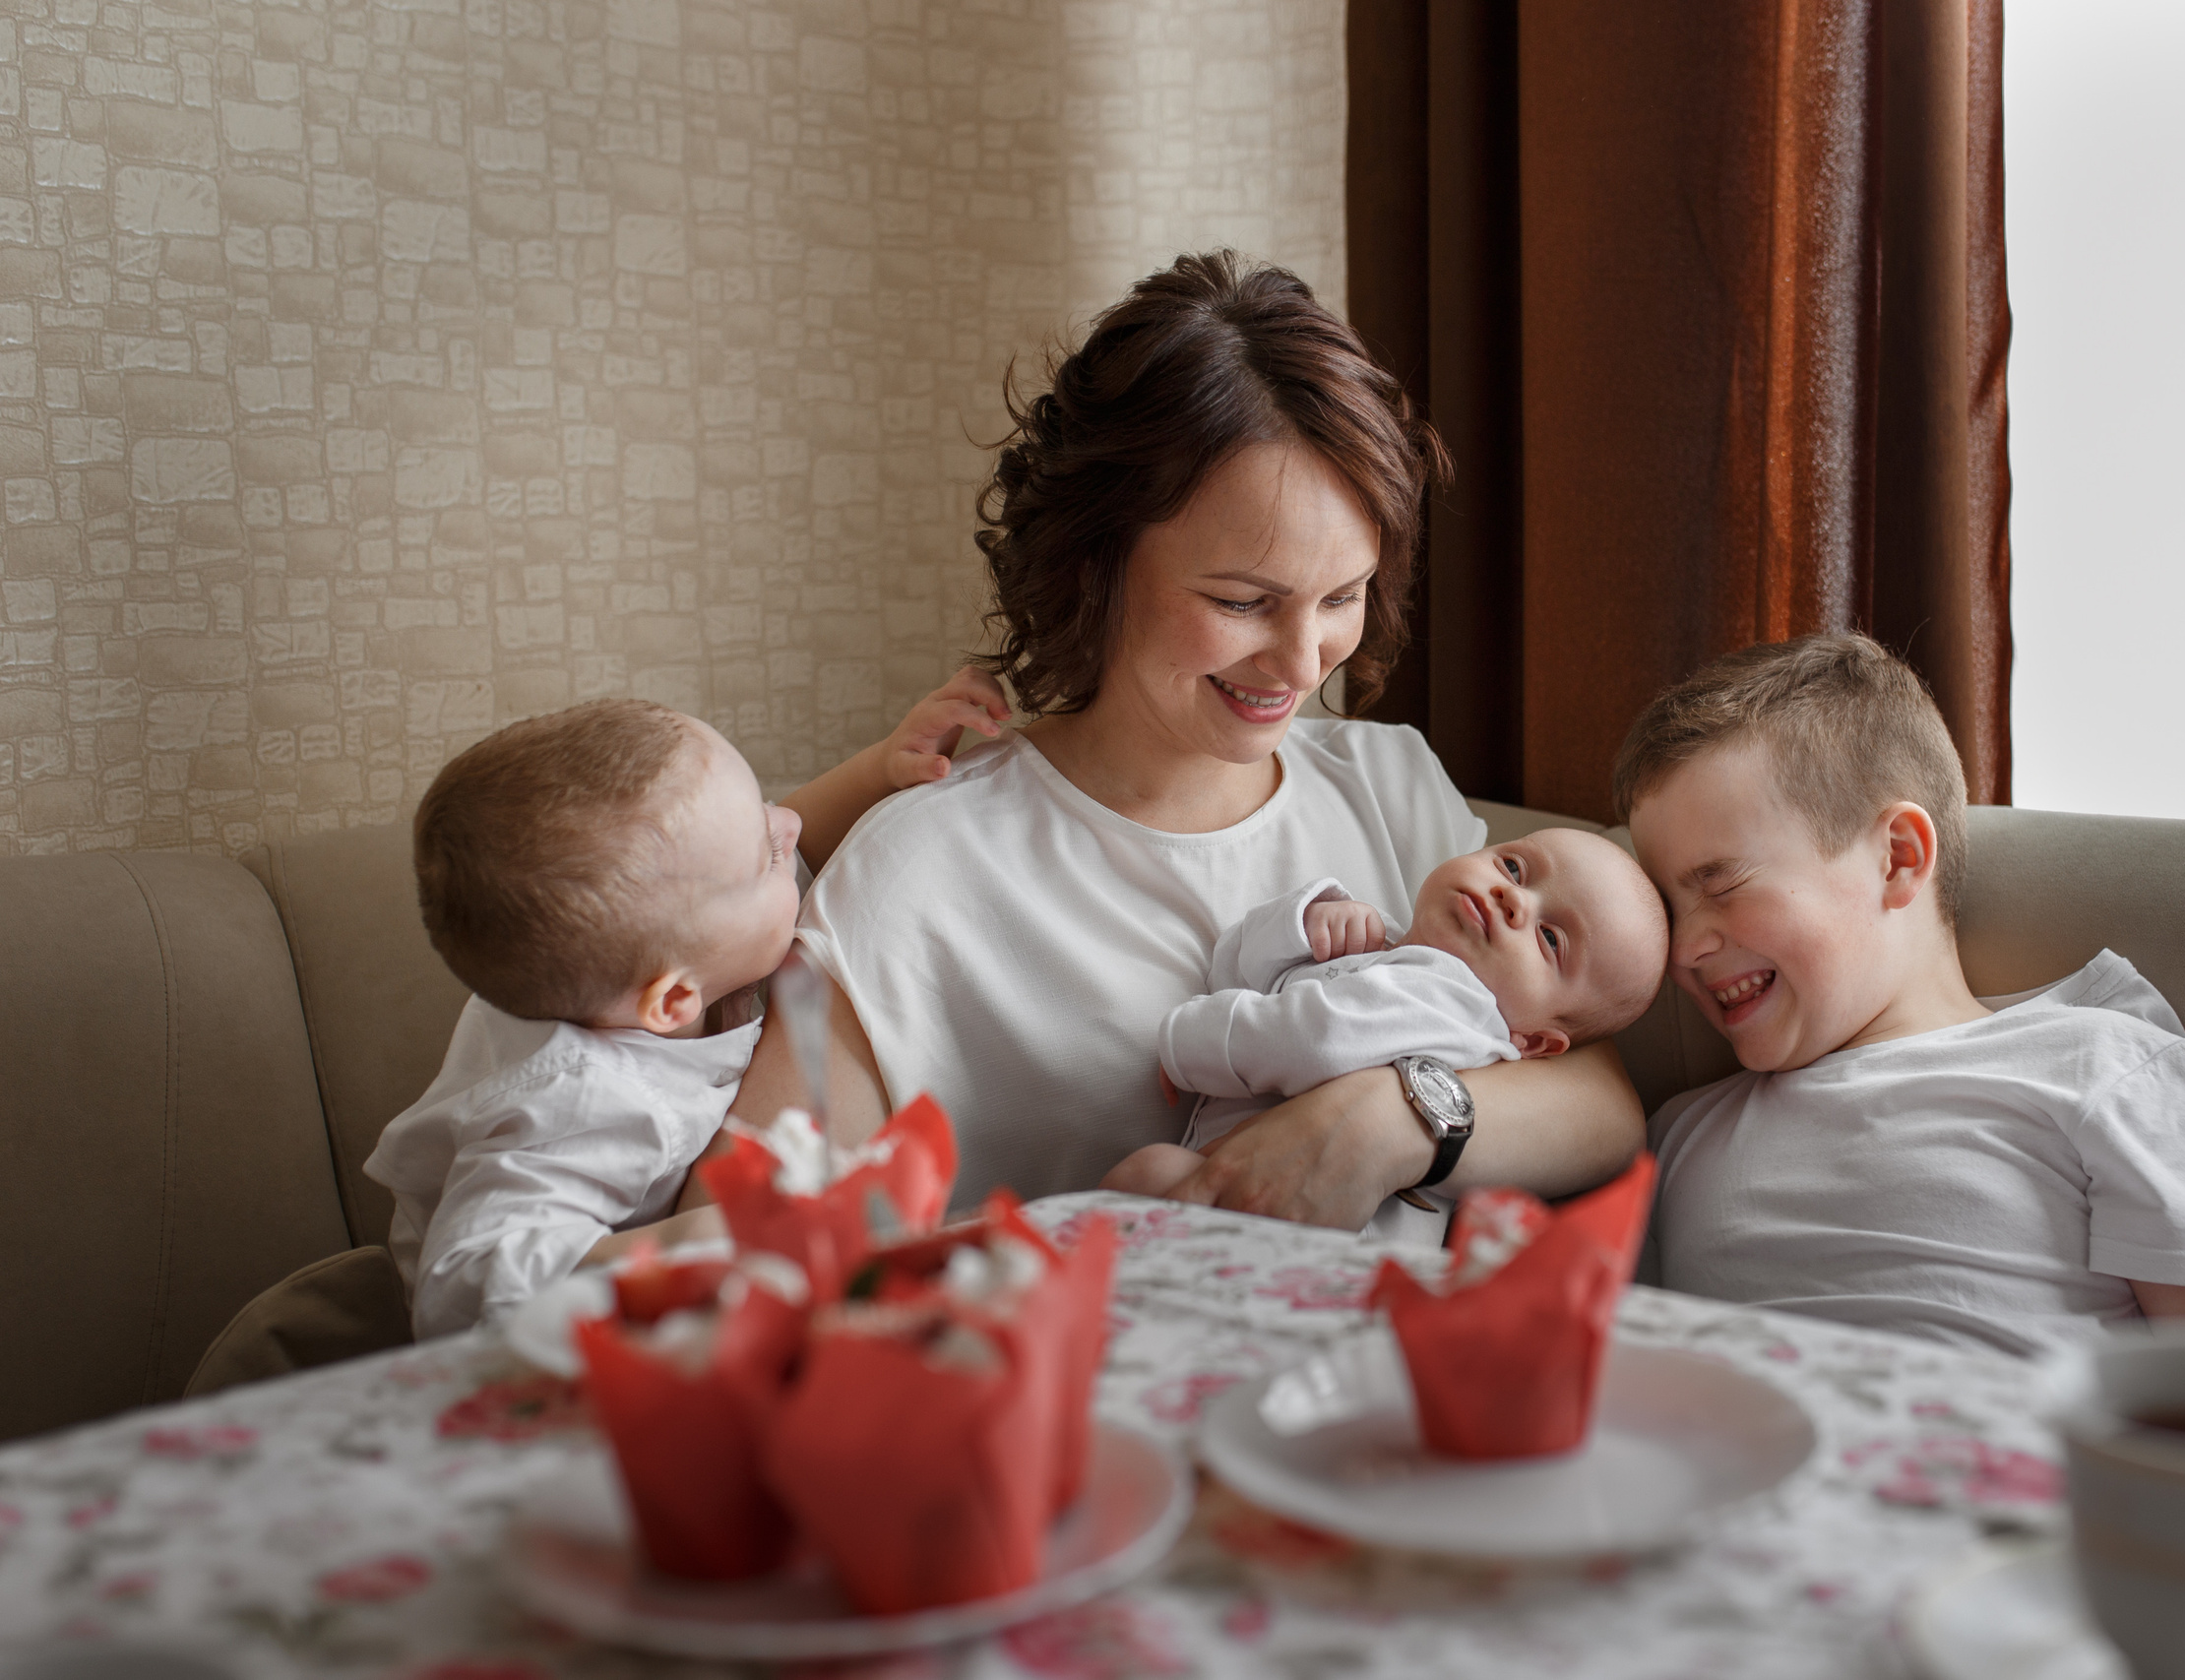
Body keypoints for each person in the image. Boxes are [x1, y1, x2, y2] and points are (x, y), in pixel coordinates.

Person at [696, 252, 1645, 1227]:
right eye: (1243, 601)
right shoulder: (927, 868)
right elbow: (745, 1225)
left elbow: (1601, 1101)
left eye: (1342, 596)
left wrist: (1382, 1121)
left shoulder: (1389, 786)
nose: (1300, 658)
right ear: (1094, 566)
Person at [1615, 633, 2185, 1358]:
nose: (1683, 949)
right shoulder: (1678, 1133)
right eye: (1670, 911)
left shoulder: (2103, 1068)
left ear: (1898, 857)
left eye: (1723, 884)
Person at [366, 672, 1005, 1338]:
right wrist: (703, 1232)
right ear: (672, 1000)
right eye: (768, 854)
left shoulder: (637, 961)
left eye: (765, 809)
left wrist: (883, 764)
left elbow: (782, 843)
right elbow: (460, 1283)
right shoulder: (580, 1104)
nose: (789, 822)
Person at [1102, 829, 1668, 1242]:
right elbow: (1235, 970)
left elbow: (1313, 1038)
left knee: (1144, 1178)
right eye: (1515, 868)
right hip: (1272, 1212)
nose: (1512, 899)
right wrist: (1307, 923)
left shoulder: (1453, 1001)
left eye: (1549, 939)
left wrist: (1187, 1044)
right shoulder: (1390, 954)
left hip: (1330, 1233)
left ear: (1536, 1043)